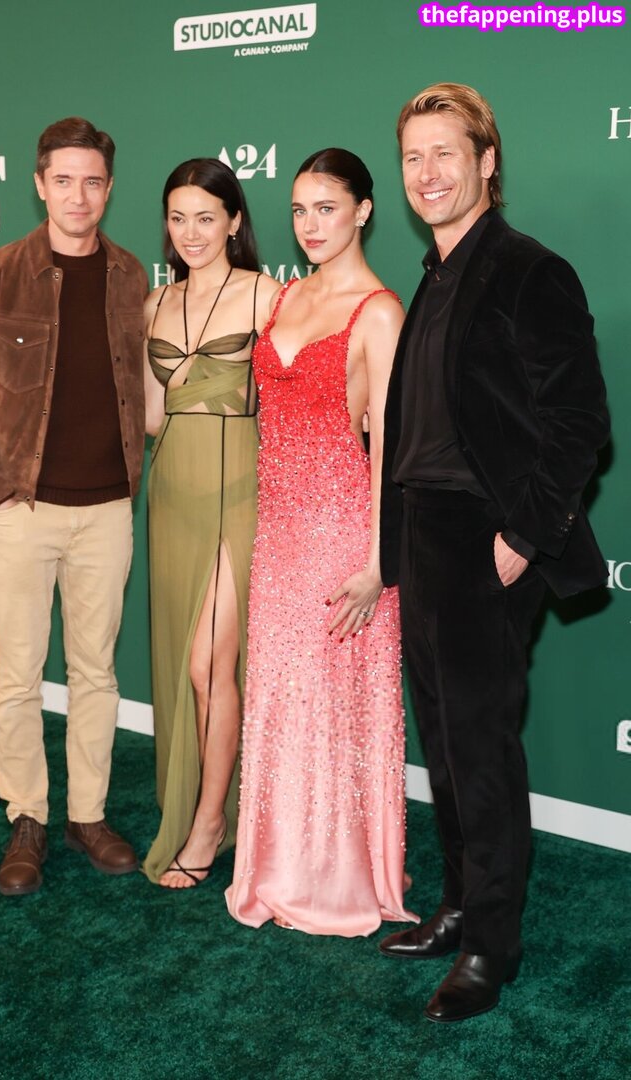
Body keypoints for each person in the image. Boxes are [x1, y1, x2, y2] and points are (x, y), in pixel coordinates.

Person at [378, 84, 609, 1021]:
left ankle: (492, 945)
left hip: (486, 539)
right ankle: (458, 905)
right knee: (442, 740)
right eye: (413, 157)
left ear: (487, 161)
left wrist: (522, 537)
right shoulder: (433, 274)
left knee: (479, 747)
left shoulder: (529, 270)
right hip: (422, 535)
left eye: (446, 153)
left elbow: (581, 421)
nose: (428, 173)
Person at [0, 117, 149, 895]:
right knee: (18, 675)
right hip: (21, 510)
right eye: (63, 180)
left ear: (108, 188)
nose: (77, 196)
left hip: (108, 512)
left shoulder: (129, 276)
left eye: (91, 181)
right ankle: (27, 816)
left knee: (96, 673)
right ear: (39, 185)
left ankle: (87, 816)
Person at [226, 148, 416, 936]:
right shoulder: (286, 296)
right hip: (279, 535)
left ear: (363, 211)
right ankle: (278, 865)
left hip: (344, 534)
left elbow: (393, 450)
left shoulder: (380, 312)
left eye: (327, 208)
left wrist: (379, 562)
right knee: (282, 696)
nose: (310, 225)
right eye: (300, 210)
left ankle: (337, 876)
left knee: (335, 704)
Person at [141, 159, 279, 888]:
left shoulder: (267, 296)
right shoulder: (154, 306)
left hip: (240, 497)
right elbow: (152, 416)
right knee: (188, 666)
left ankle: (211, 822)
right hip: (173, 495)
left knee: (208, 666)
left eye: (205, 217)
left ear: (234, 221)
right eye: (177, 217)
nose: (190, 233)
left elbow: (300, 405)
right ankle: (202, 801)